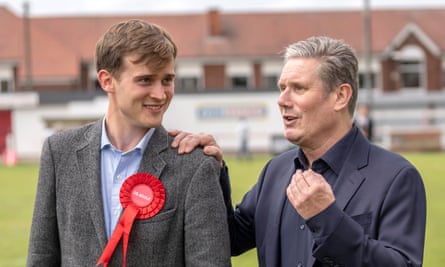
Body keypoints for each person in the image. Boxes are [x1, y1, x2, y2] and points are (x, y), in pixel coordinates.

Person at [171, 36, 426, 266]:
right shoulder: (275, 170)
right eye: (282, 87)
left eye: (299, 88)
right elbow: (230, 239)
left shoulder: (396, 177)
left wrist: (327, 218)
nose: (282, 100)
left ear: (340, 96)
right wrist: (209, 172)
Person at [27, 19, 231, 267]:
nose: (160, 94)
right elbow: (41, 257)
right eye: (145, 80)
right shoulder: (59, 152)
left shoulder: (194, 165)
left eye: (167, 80)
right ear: (106, 81)